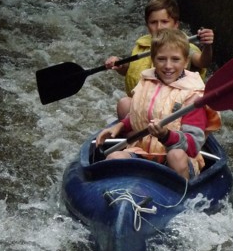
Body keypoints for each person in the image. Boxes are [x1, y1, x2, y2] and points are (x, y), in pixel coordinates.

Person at [95, 29, 221, 181]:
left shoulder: (194, 96)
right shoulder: (147, 82)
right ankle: (119, 191)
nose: (168, 66)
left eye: (175, 59)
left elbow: (193, 146)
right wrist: (120, 126)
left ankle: (183, 191)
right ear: (153, 60)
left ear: (186, 61)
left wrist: (166, 135)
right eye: (161, 59)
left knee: (176, 155)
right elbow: (140, 115)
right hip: (142, 152)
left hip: (176, 160)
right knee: (114, 157)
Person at [105, 0, 214, 118]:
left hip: (172, 110)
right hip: (144, 105)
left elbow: (203, 62)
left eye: (164, 22)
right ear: (147, 25)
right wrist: (120, 65)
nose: (159, 27)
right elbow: (132, 71)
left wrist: (207, 46)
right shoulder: (143, 45)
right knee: (124, 104)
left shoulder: (183, 47)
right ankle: (133, 129)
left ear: (176, 24)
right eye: (153, 22)